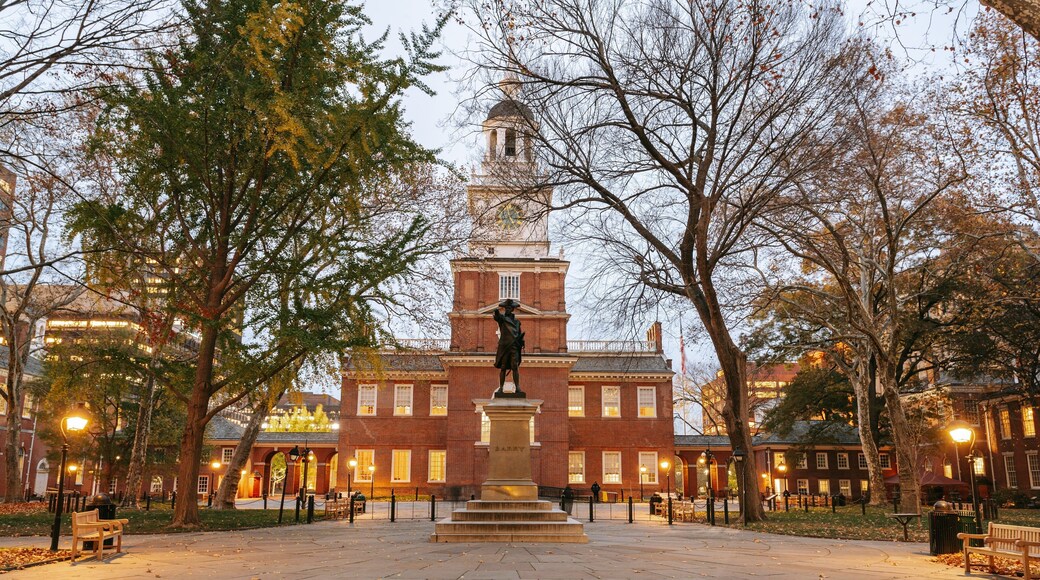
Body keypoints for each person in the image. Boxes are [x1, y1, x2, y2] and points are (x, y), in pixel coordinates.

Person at [493, 299, 525, 395]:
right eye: (506, 308)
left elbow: (518, 334)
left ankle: (517, 387)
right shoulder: (502, 319)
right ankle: (501, 387)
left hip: (514, 346)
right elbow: (497, 317)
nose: (507, 309)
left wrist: (522, 341)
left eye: (509, 308)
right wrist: (496, 311)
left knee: (515, 366)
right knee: (503, 367)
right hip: (505, 346)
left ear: (512, 309)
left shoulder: (517, 322)